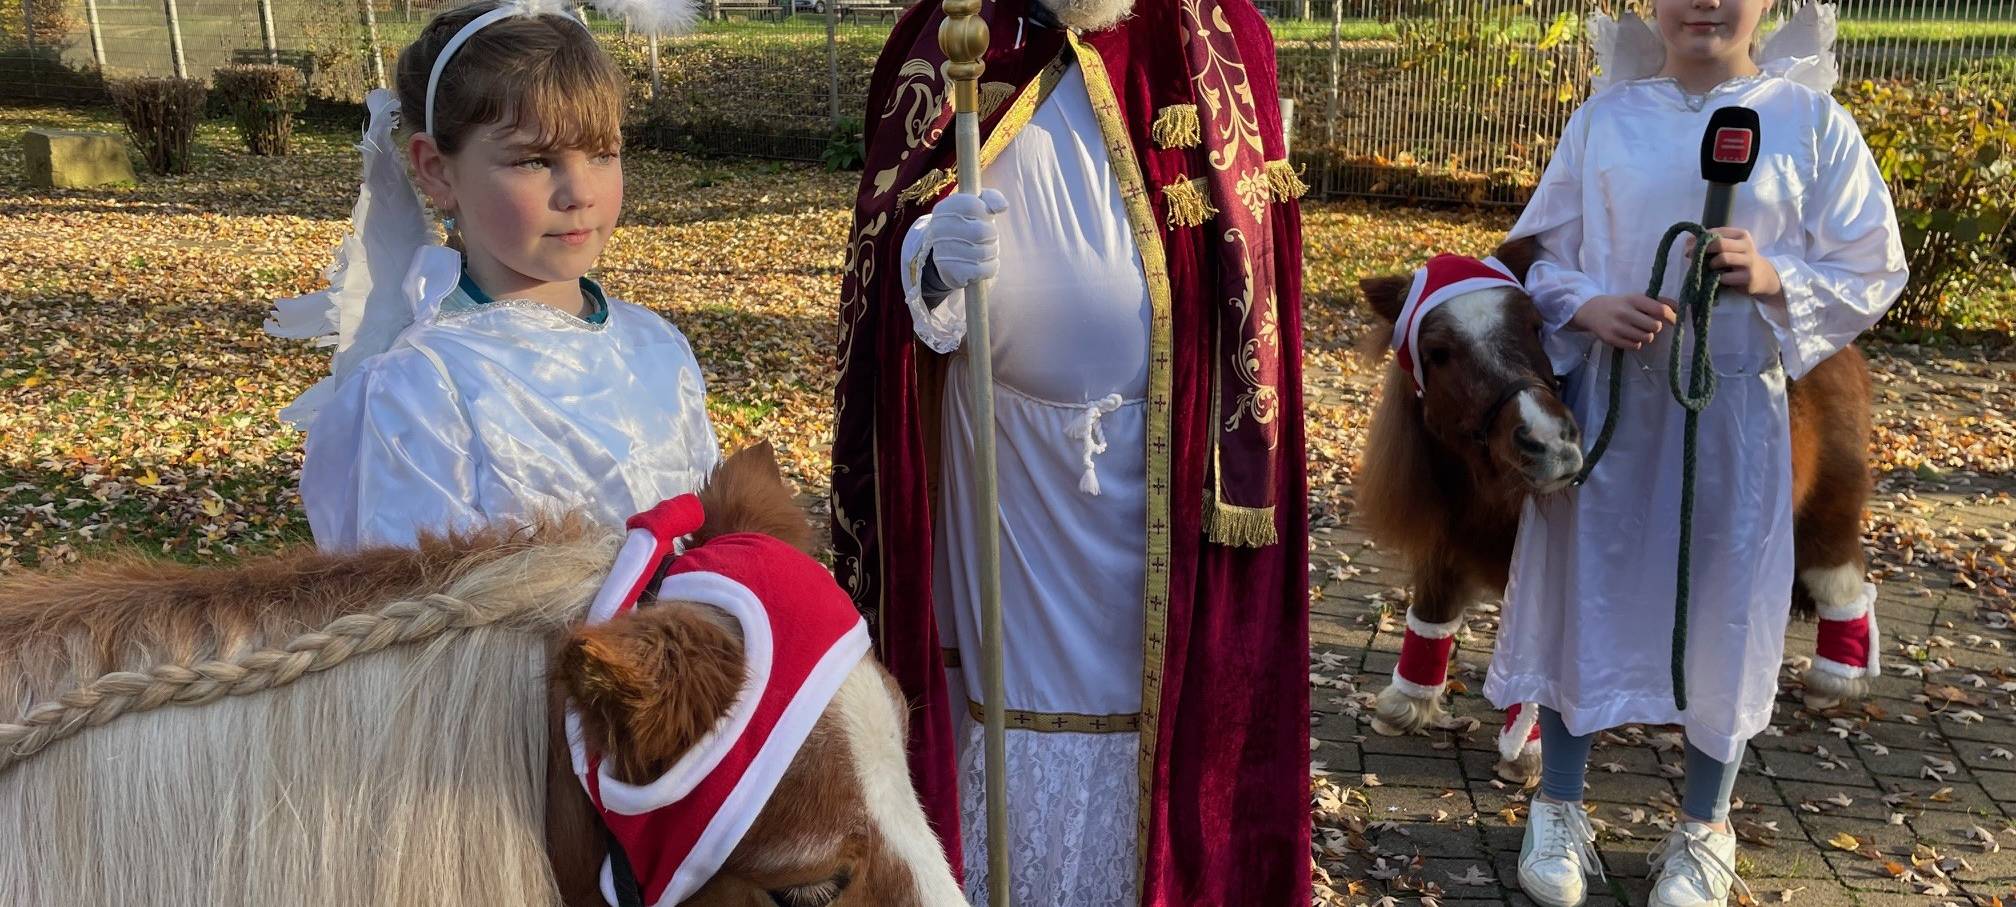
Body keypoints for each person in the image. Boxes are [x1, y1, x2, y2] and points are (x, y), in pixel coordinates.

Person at [830, 0, 1311, 901]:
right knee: (1001, 740)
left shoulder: (1222, 41)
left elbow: (1258, 293)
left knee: (1142, 751)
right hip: (998, 483)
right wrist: (927, 264)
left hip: (1162, 489)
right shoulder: (943, 39)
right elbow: (884, 264)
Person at [1485, 2, 1907, 905]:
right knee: (1584, 586)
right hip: (1611, 409)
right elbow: (1540, 255)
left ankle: (1704, 826)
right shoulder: (1604, 121)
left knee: (1726, 603)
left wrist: (1776, 276)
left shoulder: (1809, 123)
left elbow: (1874, 264)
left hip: (1734, 418)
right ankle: (1559, 806)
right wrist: (1587, 304)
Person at [270, 0, 717, 551]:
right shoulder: (422, 390)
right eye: (535, 161)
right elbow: (417, 595)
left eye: (602, 153)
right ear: (437, 170)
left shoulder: (657, 346)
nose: (580, 193)